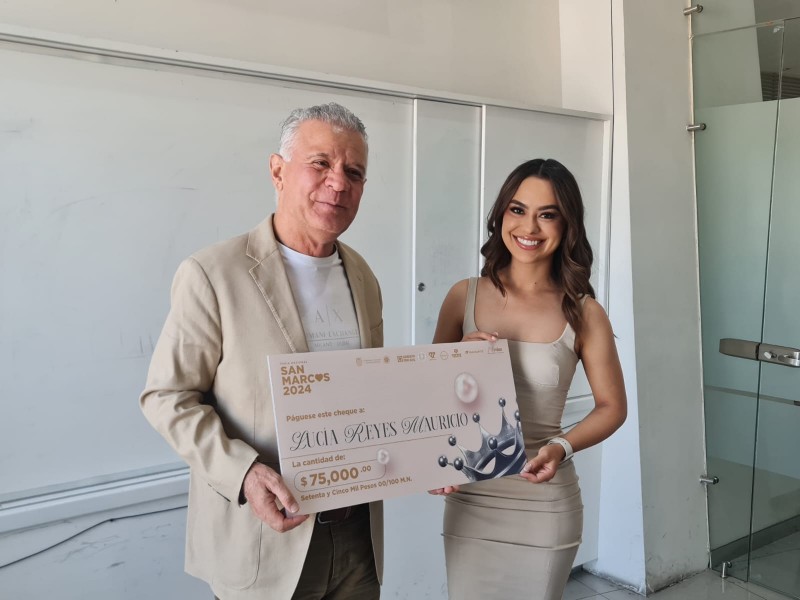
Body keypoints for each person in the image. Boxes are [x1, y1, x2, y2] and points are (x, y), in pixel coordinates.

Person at [140, 102, 384, 600]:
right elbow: (167, 397)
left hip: (356, 537)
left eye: (354, 172)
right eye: (320, 163)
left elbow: (371, 391)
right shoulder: (213, 273)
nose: (338, 183)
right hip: (263, 539)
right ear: (278, 171)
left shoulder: (363, 275)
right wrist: (245, 472)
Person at [431, 158, 627, 599]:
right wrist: (458, 358)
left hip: (543, 499)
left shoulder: (584, 311)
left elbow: (613, 407)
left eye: (547, 214)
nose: (529, 227)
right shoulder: (463, 297)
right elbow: (431, 400)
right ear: (501, 214)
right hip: (472, 497)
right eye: (518, 210)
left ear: (567, 225)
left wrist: (561, 447)